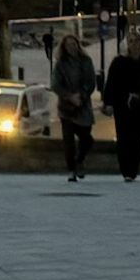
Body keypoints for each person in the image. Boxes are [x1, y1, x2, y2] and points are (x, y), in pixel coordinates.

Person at [101, 36, 140, 182]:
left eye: (137, 41)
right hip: (123, 105)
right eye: (131, 42)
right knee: (124, 137)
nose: (134, 45)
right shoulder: (119, 62)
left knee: (139, 137)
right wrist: (108, 103)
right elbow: (111, 83)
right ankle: (126, 170)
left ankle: (134, 167)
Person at [50, 32, 98, 181]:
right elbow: (56, 85)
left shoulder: (86, 61)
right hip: (67, 109)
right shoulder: (60, 64)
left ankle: (79, 161)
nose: (72, 47)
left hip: (83, 107)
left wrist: (81, 96)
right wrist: (70, 96)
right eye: (69, 44)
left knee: (86, 139)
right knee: (68, 142)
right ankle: (72, 169)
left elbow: (91, 81)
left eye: (74, 43)